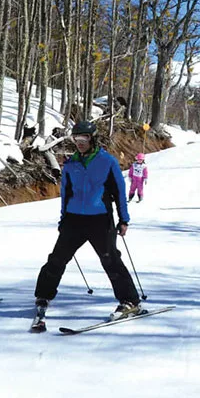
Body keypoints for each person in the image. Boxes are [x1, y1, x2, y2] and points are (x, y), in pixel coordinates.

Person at [34, 120, 141, 322]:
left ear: (92, 139)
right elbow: (65, 193)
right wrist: (63, 218)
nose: (79, 142)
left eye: (83, 138)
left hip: (100, 220)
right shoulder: (71, 163)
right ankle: (43, 295)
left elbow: (119, 192)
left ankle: (130, 301)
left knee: (111, 260)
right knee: (57, 258)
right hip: (74, 219)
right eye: (76, 138)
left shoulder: (107, 162)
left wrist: (124, 219)